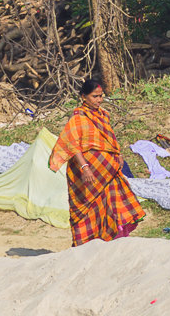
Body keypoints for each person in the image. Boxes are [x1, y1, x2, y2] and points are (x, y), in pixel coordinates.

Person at [49, 78, 146, 246]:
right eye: (95, 96)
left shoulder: (103, 115)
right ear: (83, 97)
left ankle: (113, 239)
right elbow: (73, 145)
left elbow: (109, 138)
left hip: (108, 171)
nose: (99, 100)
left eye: (101, 96)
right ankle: (88, 242)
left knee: (113, 203)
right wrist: (85, 167)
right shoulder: (77, 119)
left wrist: (118, 153)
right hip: (88, 174)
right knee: (89, 207)